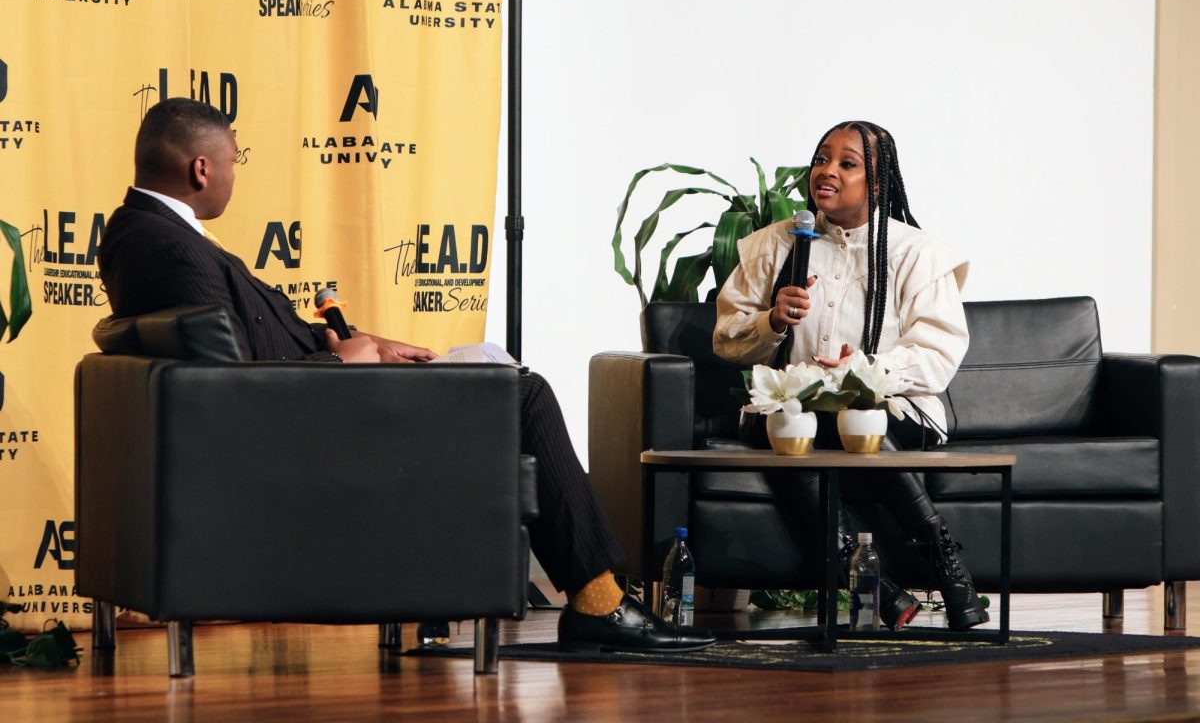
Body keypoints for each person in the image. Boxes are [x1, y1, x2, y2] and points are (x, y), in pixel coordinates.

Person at [98, 97, 715, 654]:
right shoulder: (167, 245)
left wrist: (365, 344)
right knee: (523, 394)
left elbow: (240, 343)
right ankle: (599, 602)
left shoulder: (152, 233)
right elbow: (225, 389)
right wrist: (342, 361)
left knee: (493, 369)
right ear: (201, 170)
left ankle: (581, 596)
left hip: (313, 398)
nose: (236, 175)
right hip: (310, 419)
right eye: (234, 161)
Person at [713, 120, 988, 631]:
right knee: (796, 426)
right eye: (821, 159)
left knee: (859, 420)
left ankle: (946, 565)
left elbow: (938, 355)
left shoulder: (917, 253)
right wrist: (772, 320)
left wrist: (863, 374)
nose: (827, 172)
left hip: (894, 407)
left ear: (878, 183)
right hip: (792, 407)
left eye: (847, 163)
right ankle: (875, 586)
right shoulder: (775, 246)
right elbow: (726, 337)